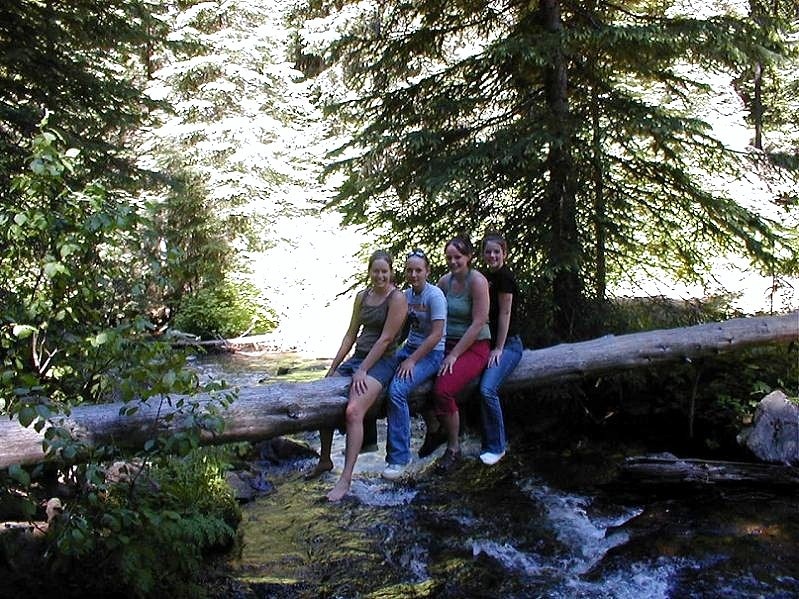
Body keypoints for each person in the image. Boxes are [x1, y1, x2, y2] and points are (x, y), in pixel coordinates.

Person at [314, 250, 407, 502]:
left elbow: (387, 338)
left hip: (383, 362)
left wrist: (364, 369)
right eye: (375, 271)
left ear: (391, 272)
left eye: (384, 271)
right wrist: (333, 367)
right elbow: (350, 334)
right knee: (323, 394)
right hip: (358, 358)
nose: (379, 276)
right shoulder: (362, 297)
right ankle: (324, 460)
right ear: (369, 272)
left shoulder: (396, 298)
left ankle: (345, 479)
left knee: (353, 411)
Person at [425, 235, 491, 473]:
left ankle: (453, 448)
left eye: (458, 257)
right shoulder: (444, 282)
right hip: (446, 343)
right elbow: (432, 311)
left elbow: (478, 322)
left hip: (475, 346)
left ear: (469, 257)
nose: (453, 261)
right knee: (416, 377)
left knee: (443, 389)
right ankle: (435, 431)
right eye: (449, 257)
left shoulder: (478, 282)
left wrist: (453, 356)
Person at [381, 249, 447, 481]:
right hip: (410, 349)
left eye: (418, 270)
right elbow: (402, 331)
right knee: (376, 375)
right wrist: (392, 352)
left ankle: (399, 458)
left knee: (397, 390)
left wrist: (411, 360)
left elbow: (436, 335)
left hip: (432, 354)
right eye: (410, 270)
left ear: (427, 271)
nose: (414, 274)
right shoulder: (406, 296)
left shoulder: (435, 296)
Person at [477, 233, 523, 466]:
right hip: (489, 344)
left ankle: (497, 446)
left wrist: (499, 348)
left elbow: (505, 314)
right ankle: (484, 442)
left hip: (509, 345)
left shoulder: (505, 278)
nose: (492, 255)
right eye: (488, 252)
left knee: (487, 389)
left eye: (497, 251)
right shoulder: (487, 277)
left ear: (505, 253)